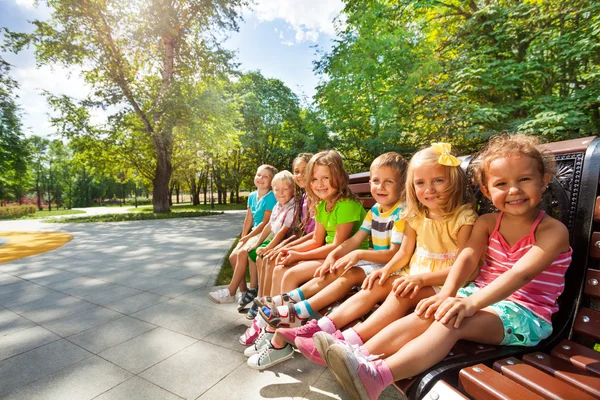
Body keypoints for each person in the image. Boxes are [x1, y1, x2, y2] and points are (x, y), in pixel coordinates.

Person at [322, 134, 572, 400]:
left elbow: (521, 273)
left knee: (451, 321)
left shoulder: (552, 231)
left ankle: (379, 376)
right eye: (501, 183)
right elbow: (466, 257)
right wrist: (446, 293)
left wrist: (470, 303)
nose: (513, 190)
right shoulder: (487, 222)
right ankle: (359, 359)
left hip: (524, 315)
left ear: (543, 181)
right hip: (477, 298)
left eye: (524, 179)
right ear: (487, 191)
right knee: (428, 312)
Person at [295, 143, 477, 366]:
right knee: (376, 284)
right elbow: (403, 253)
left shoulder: (464, 217)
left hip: (443, 281)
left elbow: (463, 267)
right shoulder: (415, 215)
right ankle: (323, 329)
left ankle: (350, 343)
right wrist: (387, 271)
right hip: (413, 274)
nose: (429, 189)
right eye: (420, 183)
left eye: (438, 181)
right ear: (412, 186)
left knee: (402, 294)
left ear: (454, 181)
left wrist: (418, 279)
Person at [246, 152, 408, 369]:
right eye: (314, 179)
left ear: (339, 177)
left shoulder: (353, 206)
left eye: (325, 178)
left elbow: (362, 248)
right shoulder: (335, 207)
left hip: (370, 263)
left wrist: (321, 255)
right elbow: (318, 240)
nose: (319, 184)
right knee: (281, 265)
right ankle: (274, 323)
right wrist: (299, 252)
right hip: (354, 258)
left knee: (294, 272)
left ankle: (282, 326)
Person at [208, 164, 277, 304]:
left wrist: (249, 237)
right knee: (233, 256)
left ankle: (231, 291)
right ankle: (243, 292)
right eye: (258, 174)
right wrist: (243, 237)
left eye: (266, 176)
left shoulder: (272, 197)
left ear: (271, 181)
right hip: (252, 233)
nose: (261, 178)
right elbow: (249, 218)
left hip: (263, 233)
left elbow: (265, 223)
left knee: (243, 253)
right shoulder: (252, 196)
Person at [241, 170, 298, 310]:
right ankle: (257, 291)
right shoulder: (277, 205)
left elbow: (283, 231)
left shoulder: (292, 205)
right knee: (253, 252)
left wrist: (268, 247)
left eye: (285, 189)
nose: (281, 193)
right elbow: (268, 226)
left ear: (293, 190)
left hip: (284, 240)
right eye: (277, 189)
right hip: (274, 238)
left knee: (262, 257)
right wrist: (257, 243)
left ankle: (262, 297)